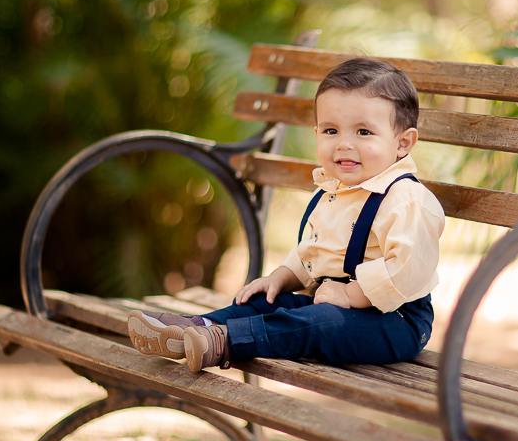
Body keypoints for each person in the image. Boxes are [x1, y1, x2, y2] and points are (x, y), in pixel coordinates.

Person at [127, 57, 445, 371]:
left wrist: (349, 294)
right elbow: (315, 251)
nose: (344, 144)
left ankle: (223, 342)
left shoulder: (406, 201)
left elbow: (406, 272)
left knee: (318, 322)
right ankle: (194, 328)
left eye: (363, 132)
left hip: (396, 321)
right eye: (331, 131)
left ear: (403, 143)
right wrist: (279, 278)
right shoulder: (336, 190)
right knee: (268, 302)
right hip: (330, 299)